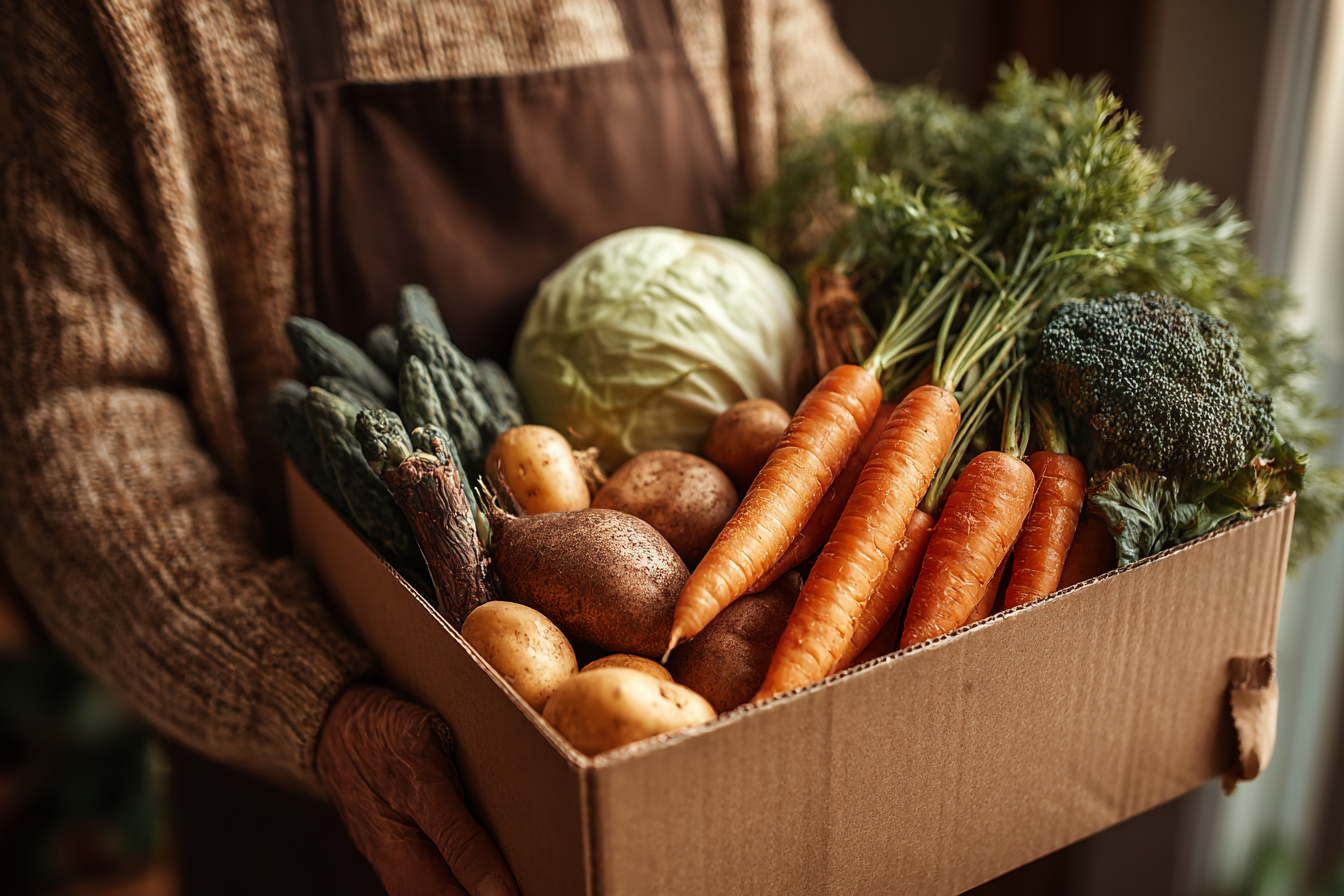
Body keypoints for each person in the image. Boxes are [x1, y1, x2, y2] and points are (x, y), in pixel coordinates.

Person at [0, 1, 868, 893]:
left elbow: (853, 186)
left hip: (748, 758)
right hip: (340, 807)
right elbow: (70, 419)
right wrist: (311, 696)